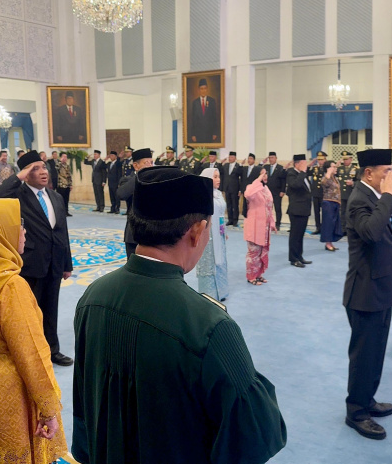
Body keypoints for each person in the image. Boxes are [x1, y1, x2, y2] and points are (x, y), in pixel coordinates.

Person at [72, 166, 286, 463]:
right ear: (197, 232)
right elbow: (259, 434)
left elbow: (83, 406)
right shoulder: (208, 325)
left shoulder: (92, 296)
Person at [0, 198, 68, 463]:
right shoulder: (10, 286)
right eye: (19, 225)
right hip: (8, 394)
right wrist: (48, 409)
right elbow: (31, 354)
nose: (25, 232)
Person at [343, 148, 392, 440]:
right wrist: (389, 196)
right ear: (368, 173)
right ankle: (356, 412)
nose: (389, 178)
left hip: (381, 288)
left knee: (376, 352)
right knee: (364, 356)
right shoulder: (358, 200)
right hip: (365, 292)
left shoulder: (374, 197)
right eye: (385, 172)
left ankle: (368, 399)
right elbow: (372, 233)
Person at [0, 152, 74, 369]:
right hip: (31, 264)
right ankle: (33, 355)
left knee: (51, 309)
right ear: (25, 173)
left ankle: (53, 350)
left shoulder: (55, 197)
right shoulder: (17, 196)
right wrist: (19, 176)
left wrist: (67, 264)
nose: (43, 172)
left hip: (54, 263)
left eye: (43, 168)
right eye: (35, 169)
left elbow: (62, 232)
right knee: (30, 312)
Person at [114, 148, 155, 258]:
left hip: (154, 233)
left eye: (151, 162)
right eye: (146, 163)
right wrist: (140, 175)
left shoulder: (157, 180)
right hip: (134, 234)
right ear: (136, 166)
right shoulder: (128, 180)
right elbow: (121, 194)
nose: (150, 166)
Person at [196, 168, 229, 301]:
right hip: (208, 234)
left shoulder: (219, 194)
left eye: (219, 176)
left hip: (219, 233)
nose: (218, 180)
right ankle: (209, 292)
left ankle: (221, 291)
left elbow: (221, 214)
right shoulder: (203, 195)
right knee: (209, 261)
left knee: (221, 259)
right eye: (215, 177)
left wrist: (223, 230)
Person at [243, 168, 275, 285]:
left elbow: (269, 207)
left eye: (265, 174)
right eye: (262, 174)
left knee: (261, 252)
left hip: (264, 228)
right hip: (254, 227)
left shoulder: (265, 188)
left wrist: (272, 223)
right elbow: (248, 194)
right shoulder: (251, 187)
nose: (264, 176)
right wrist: (258, 179)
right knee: (254, 253)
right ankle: (251, 276)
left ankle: (259, 274)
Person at [286, 154, 312, 267]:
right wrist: (302, 172)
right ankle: (293, 258)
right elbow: (295, 185)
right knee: (295, 236)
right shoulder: (291, 173)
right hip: (296, 210)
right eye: (303, 163)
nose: (306, 165)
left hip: (304, 210)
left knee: (300, 235)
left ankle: (299, 256)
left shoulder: (303, 174)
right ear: (297, 164)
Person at [188, 78, 220, 143]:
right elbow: (193, 120)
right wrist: (193, 134)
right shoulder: (195, 102)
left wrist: (215, 133)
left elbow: (214, 118)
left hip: (209, 133)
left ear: (207, 89)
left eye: (205, 88)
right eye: (201, 89)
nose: (203, 91)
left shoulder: (211, 101)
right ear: (199, 90)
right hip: (198, 134)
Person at [321, 161, 342, 251]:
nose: (336, 168)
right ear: (328, 168)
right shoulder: (327, 177)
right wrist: (328, 172)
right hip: (328, 203)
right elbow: (323, 183)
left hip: (335, 203)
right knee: (328, 224)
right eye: (333, 167)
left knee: (333, 224)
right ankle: (327, 243)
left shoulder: (334, 178)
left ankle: (331, 242)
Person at [336, 151, 358, 235]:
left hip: (351, 194)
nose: (345, 161)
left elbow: (360, 182)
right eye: (344, 159)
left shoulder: (356, 169)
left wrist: (353, 184)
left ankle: (350, 228)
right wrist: (337, 164)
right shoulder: (339, 169)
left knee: (350, 212)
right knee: (342, 212)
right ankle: (343, 229)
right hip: (342, 194)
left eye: (347, 159)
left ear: (351, 159)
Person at [263, 152, 287, 230]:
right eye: (270, 158)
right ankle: (268, 222)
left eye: (272, 158)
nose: (271, 159)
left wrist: (282, 191)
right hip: (267, 192)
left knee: (277, 208)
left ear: (276, 158)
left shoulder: (280, 168)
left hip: (277, 192)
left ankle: (278, 224)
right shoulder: (266, 167)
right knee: (267, 209)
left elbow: (283, 180)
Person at [309, 151, 328, 234]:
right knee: (316, 212)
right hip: (316, 193)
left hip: (324, 193)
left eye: (322, 160)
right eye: (319, 160)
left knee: (324, 212)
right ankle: (318, 227)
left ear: (325, 160)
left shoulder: (327, 169)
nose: (320, 162)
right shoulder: (315, 168)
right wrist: (311, 163)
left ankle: (324, 227)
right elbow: (306, 172)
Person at [222, 151, 241, 226]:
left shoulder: (238, 166)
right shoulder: (226, 165)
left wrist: (240, 190)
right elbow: (221, 173)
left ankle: (235, 220)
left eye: (232, 157)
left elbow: (241, 178)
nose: (230, 158)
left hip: (235, 189)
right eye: (229, 157)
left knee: (235, 205)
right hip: (227, 188)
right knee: (229, 205)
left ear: (235, 158)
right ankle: (230, 220)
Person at [240, 153, 261, 218]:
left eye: (251, 159)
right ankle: (246, 217)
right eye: (248, 158)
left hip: (253, 191)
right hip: (245, 189)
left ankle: (252, 217)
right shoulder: (244, 168)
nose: (249, 160)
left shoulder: (257, 169)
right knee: (245, 205)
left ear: (254, 160)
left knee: (252, 205)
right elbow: (241, 178)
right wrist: (241, 164)